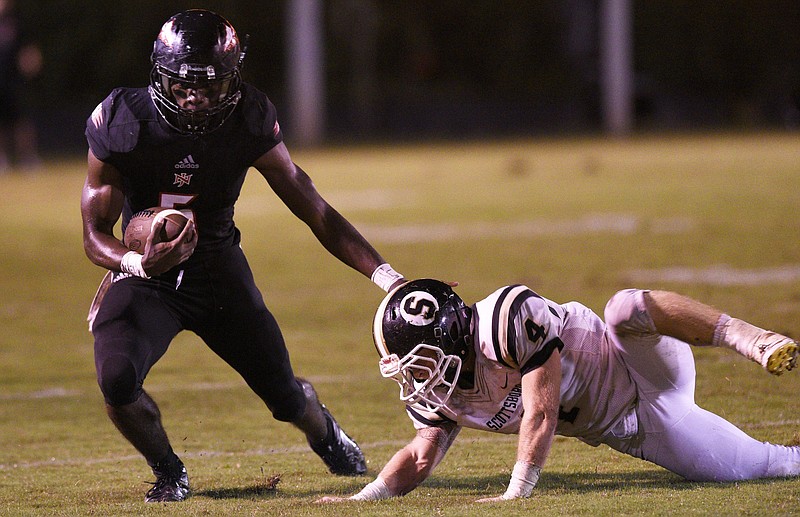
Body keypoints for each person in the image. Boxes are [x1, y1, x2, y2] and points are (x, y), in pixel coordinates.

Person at [80, 10, 406, 503]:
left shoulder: (249, 117)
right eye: (186, 85)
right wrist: (136, 264)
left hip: (218, 274)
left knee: (284, 396)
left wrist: (387, 277)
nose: (197, 98)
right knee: (116, 380)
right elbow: (93, 235)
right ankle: (170, 472)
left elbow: (313, 208)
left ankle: (324, 432)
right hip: (146, 275)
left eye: (211, 86)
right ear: (160, 76)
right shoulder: (122, 119)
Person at [317, 279, 800, 503]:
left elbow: (541, 412)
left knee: (623, 308)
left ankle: (748, 338)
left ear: (448, 336)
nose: (417, 378)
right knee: (768, 466)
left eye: (419, 363)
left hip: (639, 364)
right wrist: (368, 497)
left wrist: (516, 493)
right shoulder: (441, 390)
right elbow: (421, 458)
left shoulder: (506, 319)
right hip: (636, 425)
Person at [0, 0, 41, 174]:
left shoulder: (17, 20)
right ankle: (2, 159)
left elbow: (28, 49)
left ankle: (28, 157)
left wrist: (31, 62)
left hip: (14, 80)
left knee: (21, 120)